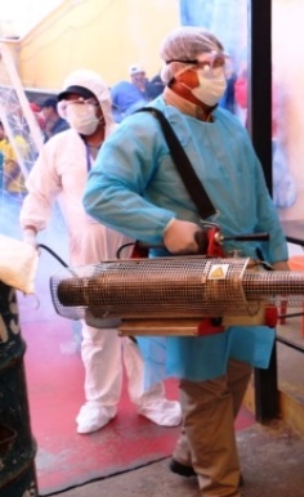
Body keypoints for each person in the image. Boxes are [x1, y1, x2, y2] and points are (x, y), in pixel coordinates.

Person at [83, 27, 288, 497]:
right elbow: (101, 193)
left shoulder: (230, 125)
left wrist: (279, 261)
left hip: (246, 270)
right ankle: (220, 493)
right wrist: (163, 226)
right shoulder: (145, 128)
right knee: (205, 384)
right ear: (177, 71)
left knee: (237, 367)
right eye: (209, 63)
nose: (220, 74)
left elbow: (261, 198)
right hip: (192, 275)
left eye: (223, 64)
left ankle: (189, 453)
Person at [19, 69, 182, 434]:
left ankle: (151, 399)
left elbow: (158, 187)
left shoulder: (128, 139)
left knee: (140, 328)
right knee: (96, 331)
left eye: (82, 102)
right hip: (87, 251)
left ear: (101, 104)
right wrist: (30, 230)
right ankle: (100, 403)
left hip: (133, 247)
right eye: (68, 104)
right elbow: (39, 193)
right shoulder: (59, 148)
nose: (75, 110)